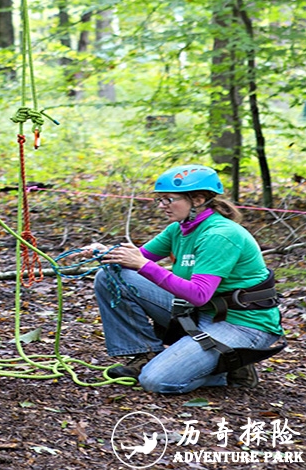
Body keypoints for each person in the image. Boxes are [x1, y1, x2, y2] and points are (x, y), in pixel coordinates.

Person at [82, 164, 284, 394]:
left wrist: (144, 266)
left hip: (243, 324)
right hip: (205, 313)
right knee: (111, 276)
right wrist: (105, 252)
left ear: (197, 200)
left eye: (168, 199)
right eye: (160, 200)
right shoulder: (179, 229)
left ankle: (229, 369)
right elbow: (137, 259)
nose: (162, 206)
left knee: (155, 381)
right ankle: (147, 353)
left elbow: (198, 294)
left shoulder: (220, 235)